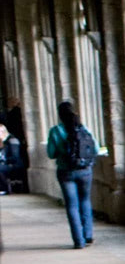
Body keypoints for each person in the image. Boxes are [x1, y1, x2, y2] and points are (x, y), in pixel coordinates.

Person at [46, 101, 97, 248]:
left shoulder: (55, 131)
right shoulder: (83, 128)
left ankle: (78, 241)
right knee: (85, 201)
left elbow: (51, 153)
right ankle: (88, 235)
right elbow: (96, 149)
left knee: (72, 206)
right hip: (85, 171)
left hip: (66, 172)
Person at [0, 122, 25, 194]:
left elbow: (15, 157)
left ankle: (4, 189)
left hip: (14, 164)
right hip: (5, 164)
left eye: (1, 131)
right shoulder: (1, 142)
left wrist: (4, 160)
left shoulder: (12, 140)